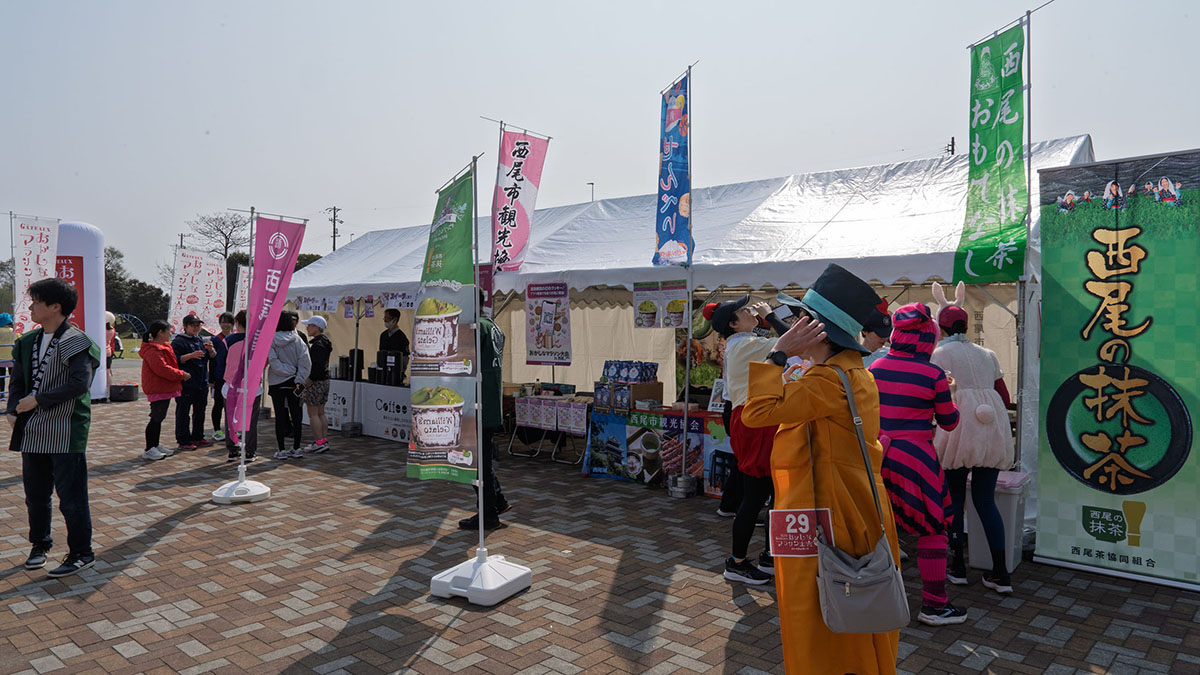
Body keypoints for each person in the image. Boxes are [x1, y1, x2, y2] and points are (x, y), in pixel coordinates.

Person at [741, 263, 901, 674]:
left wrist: (778, 353)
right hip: (852, 505)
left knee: (820, 611)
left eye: (801, 319)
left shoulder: (828, 381)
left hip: (829, 513)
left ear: (819, 331)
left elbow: (756, 413)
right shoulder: (850, 373)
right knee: (852, 608)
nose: (793, 325)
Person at [869, 303, 963, 626]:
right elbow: (949, 422)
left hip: (877, 454)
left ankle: (873, 598)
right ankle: (935, 605)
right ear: (928, 338)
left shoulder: (875, 367)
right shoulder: (933, 374)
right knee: (933, 529)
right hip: (916, 460)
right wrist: (951, 392)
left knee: (879, 527)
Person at [6, 278, 102, 578]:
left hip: (66, 428)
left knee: (71, 497)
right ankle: (40, 544)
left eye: (36, 301)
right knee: (35, 495)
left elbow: (79, 384)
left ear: (55, 306)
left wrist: (36, 400)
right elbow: (17, 382)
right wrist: (13, 409)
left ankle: (82, 553)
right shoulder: (27, 342)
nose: (31, 307)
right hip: (33, 429)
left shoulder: (77, 341)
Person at [703, 295, 788, 584]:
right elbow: (793, 340)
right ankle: (737, 562)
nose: (751, 311)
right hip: (754, 422)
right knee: (755, 495)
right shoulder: (743, 345)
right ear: (733, 323)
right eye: (743, 310)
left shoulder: (744, 342)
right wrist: (772, 315)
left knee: (772, 493)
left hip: (758, 419)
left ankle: (769, 555)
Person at [931, 305, 1015, 594]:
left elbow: (936, 394)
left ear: (941, 327)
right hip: (991, 430)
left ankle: (957, 567)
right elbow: (1004, 395)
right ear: (966, 326)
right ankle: (1001, 573)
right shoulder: (988, 354)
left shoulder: (939, 354)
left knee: (954, 500)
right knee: (986, 501)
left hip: (958, 429)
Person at [459, 294, 510, 530]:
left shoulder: (476, 328)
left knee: (476, 463)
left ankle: (488, 514)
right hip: (489, 402)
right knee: (482, 459)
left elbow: (464, 364)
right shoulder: (493, 326)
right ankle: (497, 501)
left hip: (476, 404)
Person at [139, 321, 189, 461]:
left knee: (159, 417)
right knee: (156, 418)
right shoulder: (153, 350)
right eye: (168, 331)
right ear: (160, 332)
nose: (171, 333)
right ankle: (149, 448)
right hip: (157, 388)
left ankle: (155, 445)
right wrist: (181, 374)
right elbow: (162, 369)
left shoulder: (162, 347)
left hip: (163, 387)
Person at [267, 312, 311, 460]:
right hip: (295, 383)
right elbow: (306, 362)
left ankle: (281, 450)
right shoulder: (298, 339)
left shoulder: (271, 339)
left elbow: (273, 362)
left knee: (280, 417)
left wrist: (288, 371)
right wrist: (297, 376)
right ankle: (297, 448)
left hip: (277, 383)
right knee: (297, 415)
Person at [172, 315, 216, 450]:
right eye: (193, 325)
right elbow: (175, 360)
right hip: (186, 383)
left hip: (201, 382)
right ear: (185, 326)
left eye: (198, 325)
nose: (196, 328)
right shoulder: (178, 341)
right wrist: (191, 356)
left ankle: (198, 436)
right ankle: (183, 440)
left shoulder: (201, 339)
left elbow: (213, 357)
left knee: (200, 411)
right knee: (183, 412)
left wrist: (211, 350)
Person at [223, 311, 260, 462]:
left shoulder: (228, 340)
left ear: (237, 323)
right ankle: (250, 452)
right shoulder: (258, 340)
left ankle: (233, 451)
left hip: (230, 386)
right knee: (251, 420)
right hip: (252, 386)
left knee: (230, 419)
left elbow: (220, 362)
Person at [300, 315, 333, 454]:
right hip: (324, 381)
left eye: (310, 325)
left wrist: (309, 380)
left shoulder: (317, 345)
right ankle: (323, 441)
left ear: (317, 327)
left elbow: (316, 366)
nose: (307, 328)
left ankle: (319, 442)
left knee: (313, 414)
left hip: (315, 382)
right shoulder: (325, 342)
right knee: (321, 413)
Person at [209, 312, 234, 442]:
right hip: (219, 377)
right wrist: (211, 379)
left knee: (232, 405)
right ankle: (217, 430)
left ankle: (231, 430)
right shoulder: (215, 339)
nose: (225, 325)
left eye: (228, 322)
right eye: (223, 322)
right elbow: (212, 362)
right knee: (218, 404)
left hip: (233, 377)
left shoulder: (235, 338)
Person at [861, 300, 892, 368]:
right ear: (864, 331)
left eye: (887, 333)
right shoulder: (852, 358)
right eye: (879, 333)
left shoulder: (891, 356)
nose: (884, 338)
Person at [0, 312, 16, 400]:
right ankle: (12, 393)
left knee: (1, 377)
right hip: (11, 358)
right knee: (12, 377)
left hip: (1, 358)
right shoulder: (13, 331)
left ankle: (2, 394)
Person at [104, 312, 117, 394]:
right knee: (108, 371)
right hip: (108, 351)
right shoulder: (112, 330)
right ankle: (109, 388)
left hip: (102, 352)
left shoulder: (101, 329)